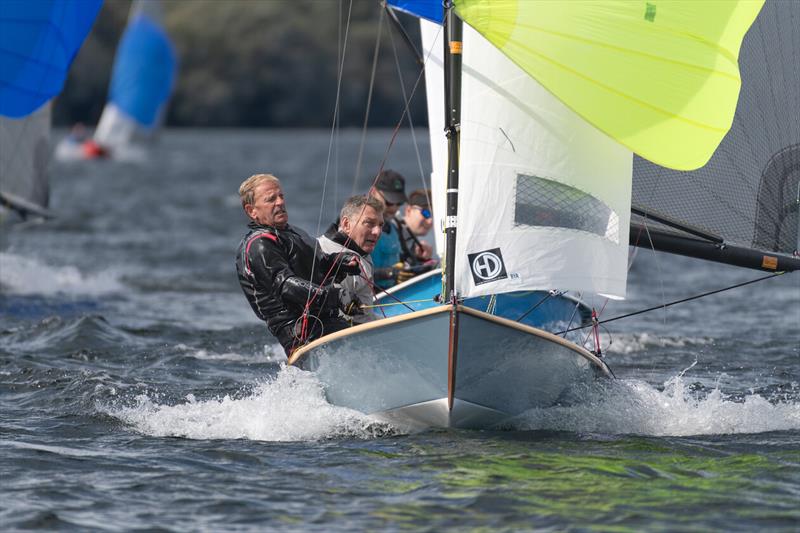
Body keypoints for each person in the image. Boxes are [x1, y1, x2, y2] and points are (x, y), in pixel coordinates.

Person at [235, 173, 358, 356]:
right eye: (271, 199)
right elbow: (286, 286)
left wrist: (340, 262)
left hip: (326, 323)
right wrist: (336, 296)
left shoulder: (292, 233)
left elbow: (318, 265)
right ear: (252, 211)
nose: (279, 202)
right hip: (303, 335)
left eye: (281, 196)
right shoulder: (259, 245)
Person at [318, 195, 384, 324]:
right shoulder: (326, 253)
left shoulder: (361, 251)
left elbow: (365, 318)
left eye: (380, 225)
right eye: (369, 223)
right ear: (346, 224)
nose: (377, 232)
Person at [369, 169, 417, 289]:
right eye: (390, 202)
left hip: (394, 293)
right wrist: (389, 273)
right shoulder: (357, 226)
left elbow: (408, 260)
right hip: (369, 298)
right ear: (374, 192)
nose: (394, 208)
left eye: (399, 203)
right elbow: (350, 271)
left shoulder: (397, 227)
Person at [398, 189, 436, 266]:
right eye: (426, 213)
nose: (430, 221)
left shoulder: (412, 244)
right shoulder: (390, 232)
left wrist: (420, 258)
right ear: (408, 210)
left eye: (434, 215)